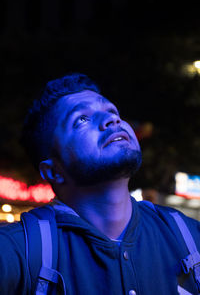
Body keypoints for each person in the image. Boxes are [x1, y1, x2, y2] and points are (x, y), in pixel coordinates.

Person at [0, 73, 199, 295]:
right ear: (54, 171)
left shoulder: (187, 236)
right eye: (82, 119)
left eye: (112, 112)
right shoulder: (19, 252)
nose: (112, 120)